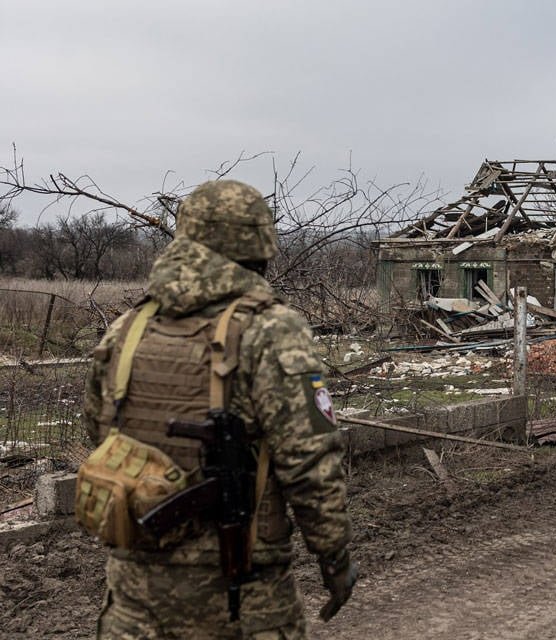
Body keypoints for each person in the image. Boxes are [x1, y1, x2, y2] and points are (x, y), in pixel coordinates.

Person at [81, 180, 356, 638]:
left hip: (133, 603)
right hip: (241, 601)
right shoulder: (271, 329)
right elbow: (311, 465)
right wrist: (334, 557)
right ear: (259, 244)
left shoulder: (128, 327)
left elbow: (101, 431)